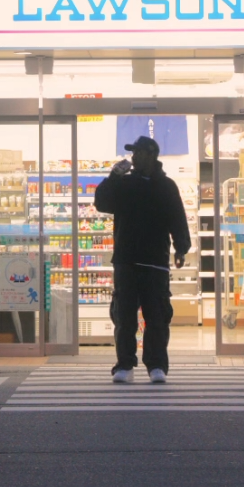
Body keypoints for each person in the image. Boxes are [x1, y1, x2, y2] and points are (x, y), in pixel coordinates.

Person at [93, 134, 192, 384]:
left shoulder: (167, 186)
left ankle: (156, 365)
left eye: (137, 152)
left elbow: (177, 218)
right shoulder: (125, 184)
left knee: (156, 316)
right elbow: (101, 202)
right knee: (124, 316)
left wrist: (181, 248)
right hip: (126, 260)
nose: (133, 156)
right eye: (132, 152)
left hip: (155, 261)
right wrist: (113, 175)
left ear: (150, 155)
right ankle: (125, 364)